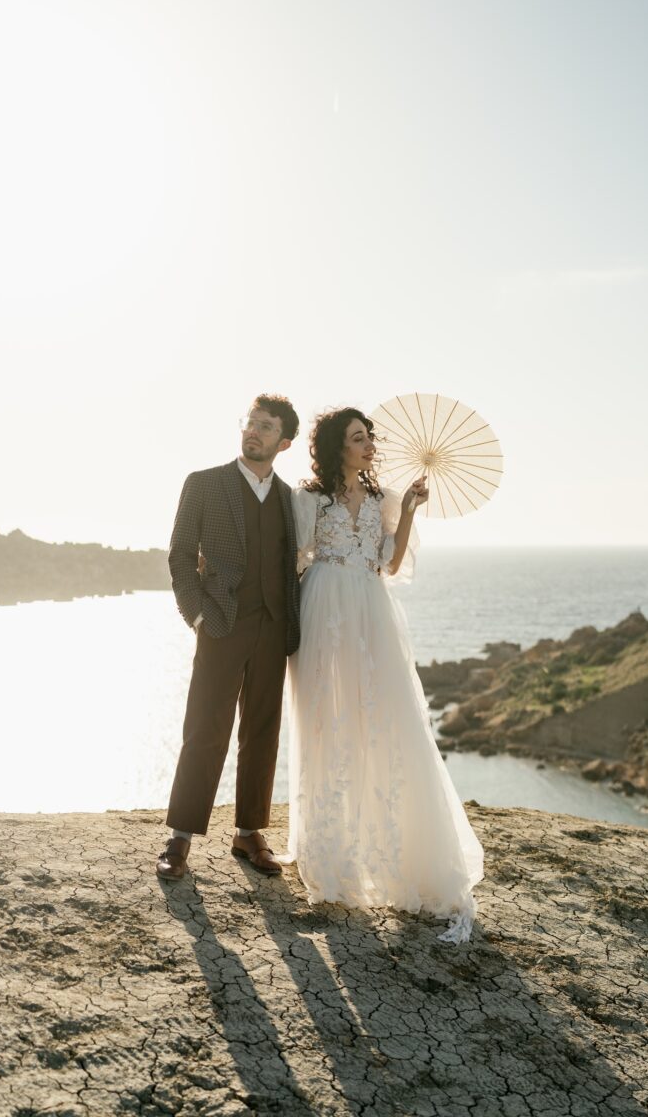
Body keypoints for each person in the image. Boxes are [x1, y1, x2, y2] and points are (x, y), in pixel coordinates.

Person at [287, 407, 484, 943]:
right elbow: (292, 559)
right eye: (358, 437)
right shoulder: (306, 499)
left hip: (370, 609)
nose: (369, 443)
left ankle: (389, 848)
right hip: (323, 607)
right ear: (336, 446)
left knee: (383, 718)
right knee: (327, 721)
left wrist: (413, 511)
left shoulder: (383, 500)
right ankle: (330, 853)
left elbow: (391, 566)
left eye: (370, 435)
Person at [157, 394, 301, 882]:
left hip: (272, 629)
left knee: (262, 732)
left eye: (265, 426)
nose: (252, 431)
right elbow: (179, 556)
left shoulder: (288, 498)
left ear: (283, 441)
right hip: (219, 625)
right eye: (250, 422)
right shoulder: (204, 484)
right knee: (205, 729)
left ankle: (248, 832)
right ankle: (179, 837)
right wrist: (197, 616)